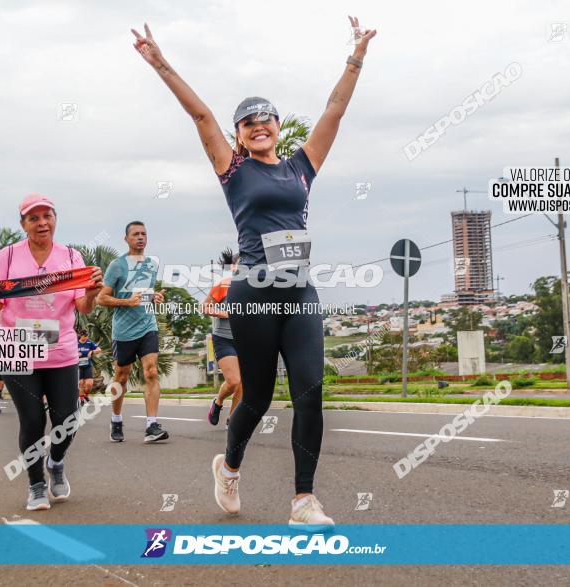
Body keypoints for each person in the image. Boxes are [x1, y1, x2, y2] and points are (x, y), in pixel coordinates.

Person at [132, 16, 375, 526]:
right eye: (247, 120)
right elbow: (200, 116)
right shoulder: (235, 170)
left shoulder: (299, 167)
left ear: (278, 127)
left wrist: (355, 56)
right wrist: (160, 63)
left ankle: (303, 501)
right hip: (254, 293)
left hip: (299, 292)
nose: (258, 122)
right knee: (258, 397)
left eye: (266, 116)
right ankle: (230, 467)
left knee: (310, 391)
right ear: (239, 136)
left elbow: (335, 109)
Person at [0, 193, 103, 510]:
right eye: (33, 218)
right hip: (17, 352)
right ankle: (36, 485)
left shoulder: (71, 258)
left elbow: (83, 306)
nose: (41, 223)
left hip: (60, 351)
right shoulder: (7, 257)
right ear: (23, 224)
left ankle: (56, 462)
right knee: (32, 420)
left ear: (55, 220)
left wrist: (91, 293)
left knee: (68, 419)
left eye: (47, 216)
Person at [96, 221, 167, 444]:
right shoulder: (117, 266)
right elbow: (101, 298)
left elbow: (143, 296)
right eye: (135, 234)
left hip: (148, 326)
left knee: (151, 372)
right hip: (124, 331)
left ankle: (151, 425)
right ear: (126, 239)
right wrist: (126, 302)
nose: (140, 237)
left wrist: (153, 298)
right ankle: (116, 419)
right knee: (121, 376)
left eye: (144, 234)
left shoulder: (151, 265)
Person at [200, 248, 243, 426]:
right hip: (224, 338)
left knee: (243, 386)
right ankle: (217, 402)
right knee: (234, 381)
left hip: (246, 340)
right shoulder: (224, 285)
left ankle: (232, 422)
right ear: (233, 266)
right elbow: (205, 307)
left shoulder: (257, 289)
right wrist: (223, 313)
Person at [76, 330, 101, 405]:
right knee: (81, 383)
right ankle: (82, 399)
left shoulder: (89, 343)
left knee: (89, 384)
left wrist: (92, 351)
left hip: (87, 366)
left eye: (87, 336)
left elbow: (99, 349)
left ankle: (85, 395)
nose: (86, 337)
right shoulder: (75, 343)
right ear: (81, 335)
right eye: (85, 336)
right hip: (78, 367)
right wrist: (76, 354)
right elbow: (68, 352)